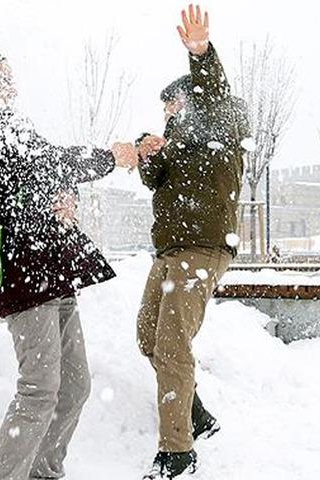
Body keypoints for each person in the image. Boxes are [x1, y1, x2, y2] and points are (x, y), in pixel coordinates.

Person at [0, 49, 139, 480]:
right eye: (3, 77)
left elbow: (38, 174)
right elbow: (38, 168)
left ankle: (43, 474)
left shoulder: (7, 124)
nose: (13, 85)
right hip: (24, 272)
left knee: (74, 387)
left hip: (51, 267)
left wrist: (60, 194)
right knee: (39, 389)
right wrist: (108, 158)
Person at [134, 5, 245, 479]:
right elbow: (153, 179)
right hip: (171, 252)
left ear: (193, 101)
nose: (168, 112)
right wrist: (146, 150)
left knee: (173, 347)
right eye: (164, 108)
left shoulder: (221, 126)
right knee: (148, 337)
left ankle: (177, 453)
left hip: (202, 250)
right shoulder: (176, 145)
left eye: (173, 104)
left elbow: (215, 94)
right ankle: (195, 413)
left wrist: (200, 53)